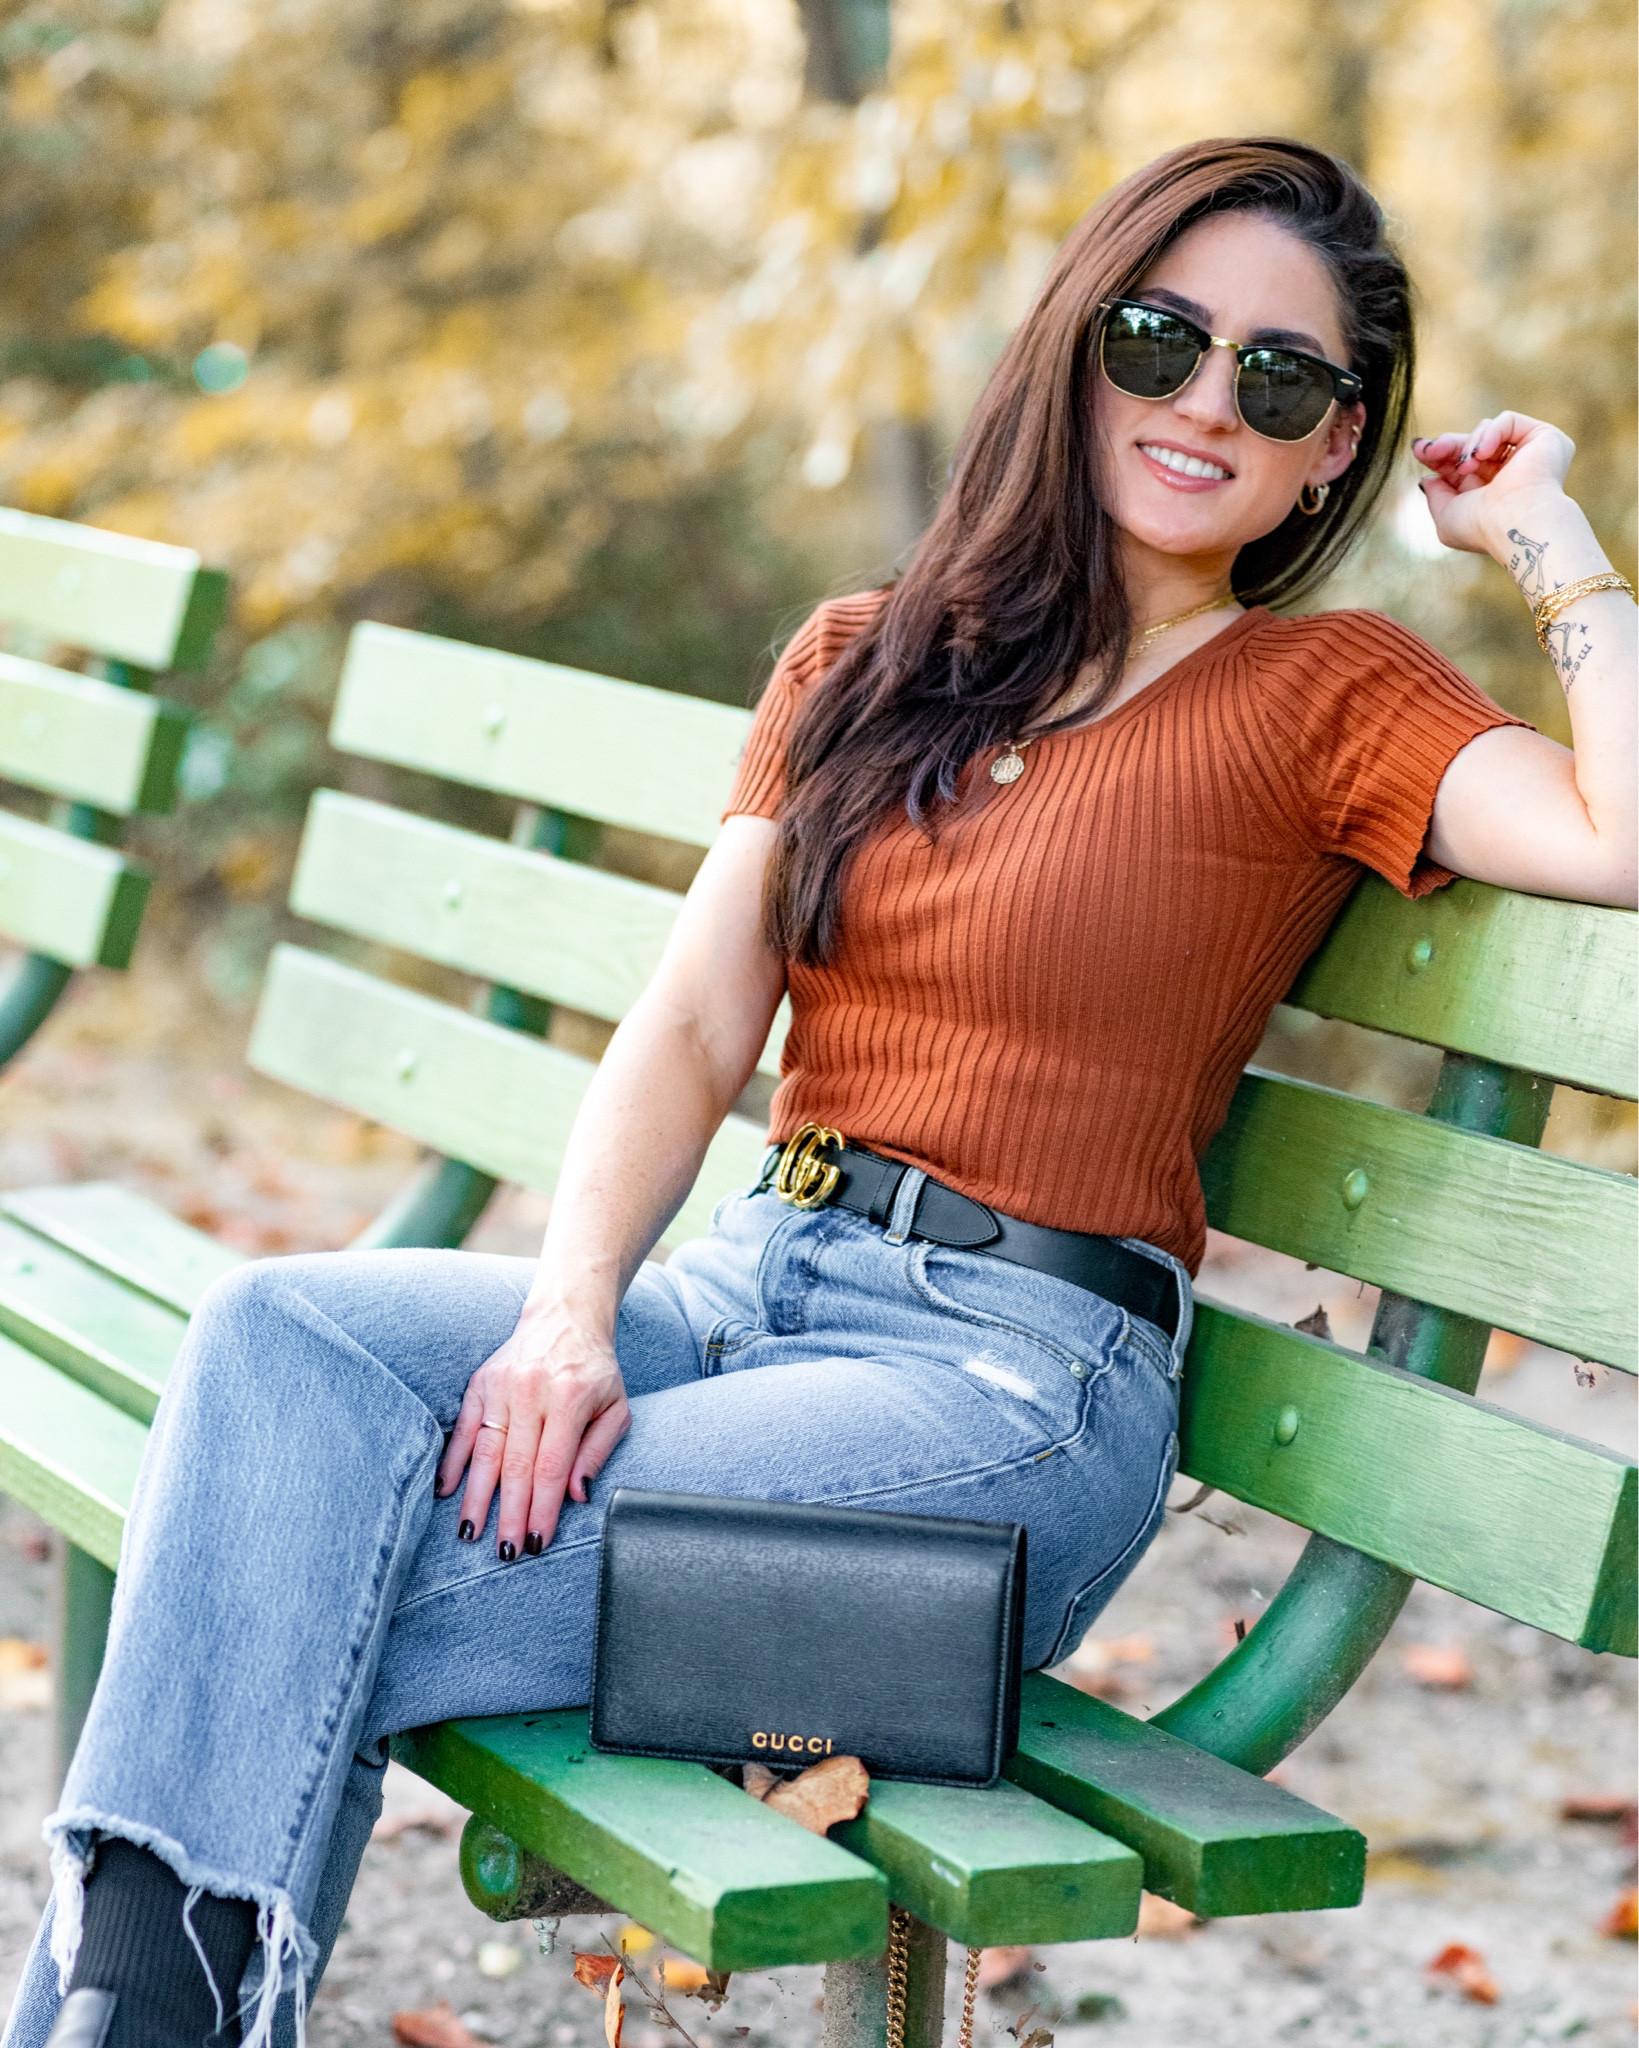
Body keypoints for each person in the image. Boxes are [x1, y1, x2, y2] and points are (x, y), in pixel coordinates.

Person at [7, 136, 1633, 2048]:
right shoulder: (868, 658)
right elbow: (698, 1026)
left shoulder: (1326, 693)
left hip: (1000, 1400)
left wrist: (1548, 536)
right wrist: (564, 1313)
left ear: (1329, 452)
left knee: (321, 1555)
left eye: (1278, 380)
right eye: (1161, 338)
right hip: (745, 1293)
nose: (1206, 401)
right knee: (281, 1345)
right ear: (1076, 344)